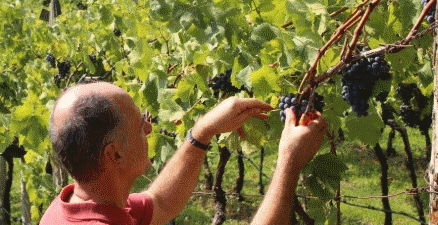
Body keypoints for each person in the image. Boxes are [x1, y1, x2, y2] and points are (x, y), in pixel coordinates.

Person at [40, 82, 328, 225]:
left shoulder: (72, 207)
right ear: (114, 155)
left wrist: (201, 132)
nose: (149, 130)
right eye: (141, 125)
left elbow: (160, 203)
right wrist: (289, 162)